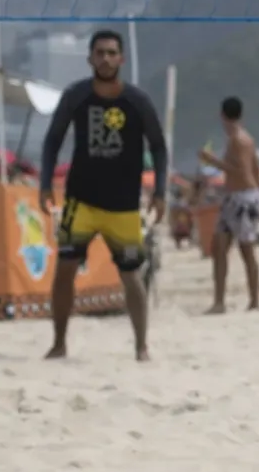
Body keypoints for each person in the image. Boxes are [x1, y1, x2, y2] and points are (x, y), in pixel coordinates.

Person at [38, 30, 167, 362]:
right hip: (80, 202)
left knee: (131, 275)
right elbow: (52, 140)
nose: (106, 59)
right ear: (90, 59)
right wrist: (44, 185)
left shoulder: (137, 100)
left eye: (112, 53)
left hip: (123, 206)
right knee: (64, 270)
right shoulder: (76, 95)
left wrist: (161, 192)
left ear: (121, 59)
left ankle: (142, 346)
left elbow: (158, 146)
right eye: (100, 53)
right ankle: (59, 343)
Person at [197, 96, 259, 314]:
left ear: (222, 115)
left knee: (246, 251)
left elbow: (243, 172)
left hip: (242, 198)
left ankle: (254, 300)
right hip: (237, 197)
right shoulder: (244, 139)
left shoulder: (238, 140)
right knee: (219, 249)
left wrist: (212, 160)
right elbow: (255, 170)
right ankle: (219, 302)